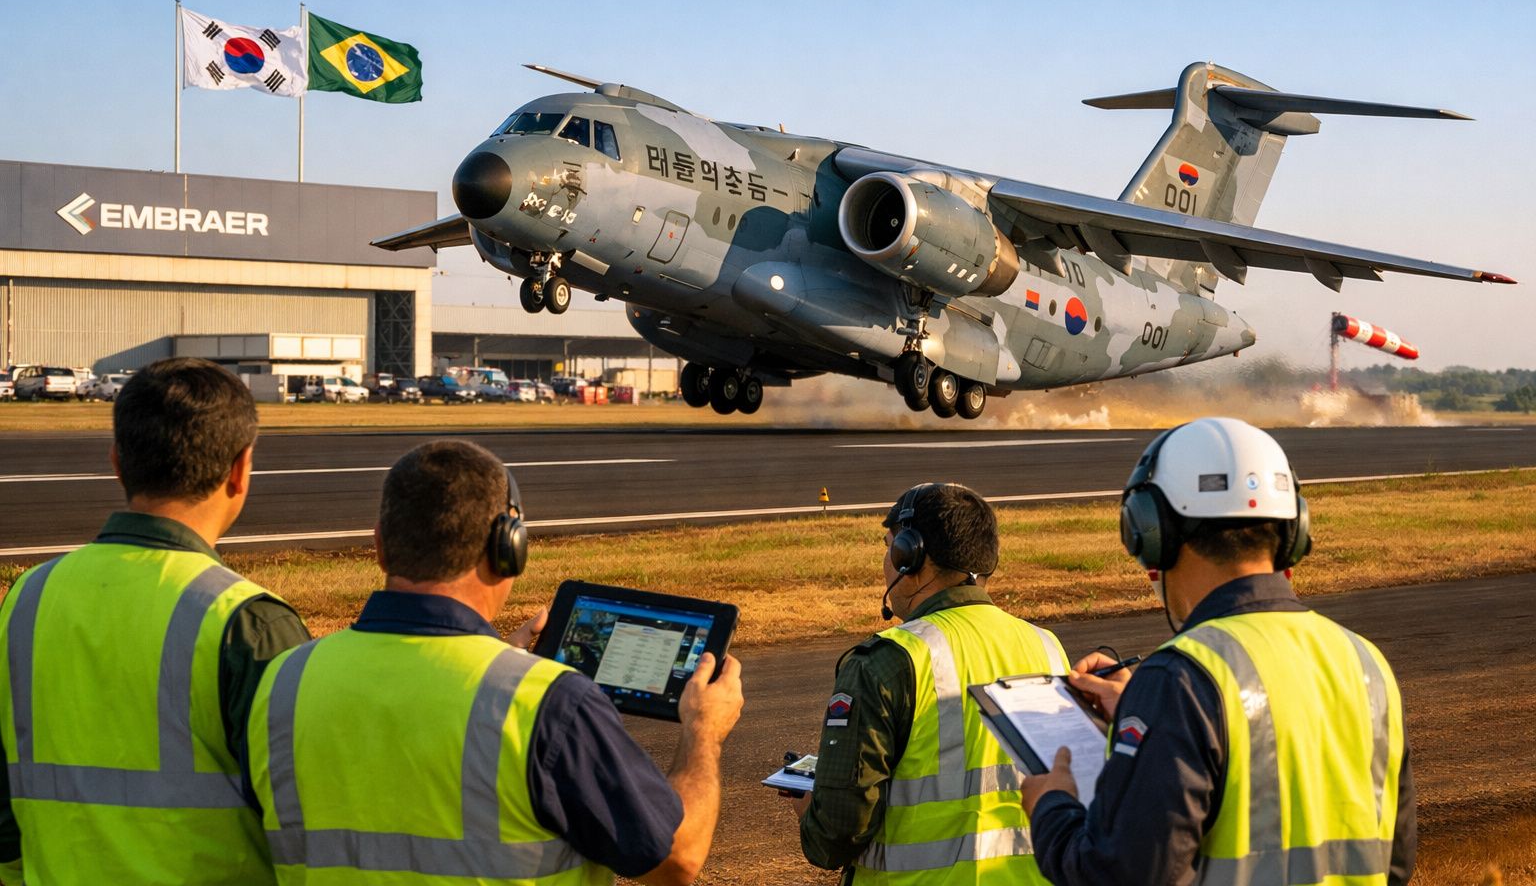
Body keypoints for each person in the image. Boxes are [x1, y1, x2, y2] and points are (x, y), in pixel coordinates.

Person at [247, 439, 744, 885]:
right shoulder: (547, 703)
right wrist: (702, 731)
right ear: (509, 548)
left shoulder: (284, 679)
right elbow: (675, 860)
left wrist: (498, 662)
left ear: (378, 546)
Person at [1023, 417, 1416, 884]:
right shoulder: (1365, 663)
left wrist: (1051, 805)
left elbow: (1117, 873)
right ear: (1294, 533)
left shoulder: (1180, 680)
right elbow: (1396, 863)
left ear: (1151, 533)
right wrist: (1142, 710)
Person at [0, 357, 311, 885]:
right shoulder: (246, 622)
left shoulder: (27, 598)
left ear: (118, 462)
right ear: (240, 470)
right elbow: (304, 827)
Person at [792, 482, 1070, 885]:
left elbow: (835, 835)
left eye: (888, 547)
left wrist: (811, 812)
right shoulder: (1048, 648)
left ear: (909, 555)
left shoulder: (887, 661)